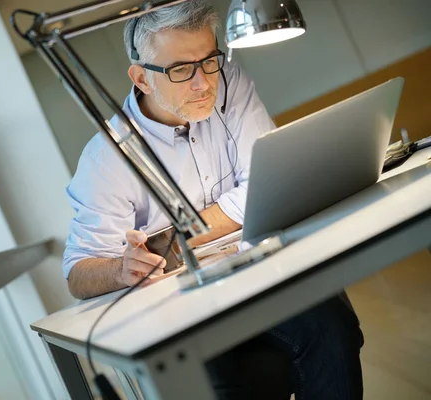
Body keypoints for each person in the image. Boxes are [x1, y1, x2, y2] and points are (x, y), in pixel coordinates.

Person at [63, 1, 364, 398]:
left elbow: (264, 185)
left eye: (208, 61)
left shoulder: (229, 80)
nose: (203, 83)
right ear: (141, 78)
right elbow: (77, 273)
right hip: (185, 308)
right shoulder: (107, 157)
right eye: (181, 70)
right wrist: (121, 269)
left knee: (333, 326)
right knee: (218, 385)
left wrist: (176, 240)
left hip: (258, 275)